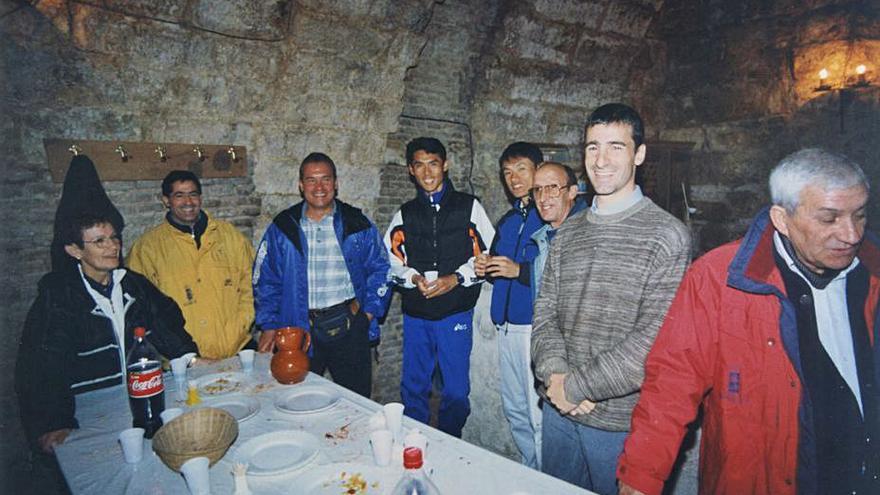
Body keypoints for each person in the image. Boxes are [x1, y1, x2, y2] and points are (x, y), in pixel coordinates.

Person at [618, 148, 880, 495]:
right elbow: (672, 384)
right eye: (829, 219)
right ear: (782, 219)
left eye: (859, 215)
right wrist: (640, 478)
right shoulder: (718, 279)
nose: (851, 234)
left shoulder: (872, 271)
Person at [530, 103, 691, 494]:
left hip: (618, 422)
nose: (601, 161)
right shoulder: (568, 232)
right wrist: (555, 377)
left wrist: (576, 386)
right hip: (559, 410)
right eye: (592, 147)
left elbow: (651, 342)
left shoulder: (667, 235)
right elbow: (545, 314)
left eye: (615, 147)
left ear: (639, 154)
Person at [15, 212, 198, 455]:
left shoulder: (133, 284)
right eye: (99, 241)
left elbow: (166, 326)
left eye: (114, 238)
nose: (112, 246)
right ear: (74, 250)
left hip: (142, 402)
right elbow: (40, 367)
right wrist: (54, 422)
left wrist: (190, 357)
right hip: (90, 414)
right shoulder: (58, 298)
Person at [253, 152, 390, 397]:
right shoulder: (283, 228)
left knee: (355, 402)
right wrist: (269, 325)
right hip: (298, 329)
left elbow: (380, 268)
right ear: (300, 185)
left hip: (348, 325)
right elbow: (266, 280)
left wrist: (368, 314)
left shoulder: (356, 223)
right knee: (297, 400)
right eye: (311, 180)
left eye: (326, 179)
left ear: (336, 183)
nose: (319, 187)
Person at [385, 137, 495, 438]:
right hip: (417, 314)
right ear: (411, 170)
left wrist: (456, 278)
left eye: (433, 164)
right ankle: (415, 441)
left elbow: (488, 255)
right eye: (419, 165)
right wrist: (412, 278)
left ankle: (450, 440)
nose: (428, 172)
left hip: (455, 313)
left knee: (457, 392)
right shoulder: (404, 214)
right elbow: (391, 262)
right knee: (413, 387)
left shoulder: (469, 207)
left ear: (445, 165)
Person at [128, 170, 256, 359]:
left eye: (193, 194)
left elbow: (253, 282)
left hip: (238, 351)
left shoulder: (229, 236)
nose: (188, 202)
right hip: (184, 360)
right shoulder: (147, 248)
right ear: (166, 200)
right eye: (179, 195)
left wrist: (242, 323)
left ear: (200, 198)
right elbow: (141, 308)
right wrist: (178, 350)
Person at [474, 141, 544, 468]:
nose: (513, 178)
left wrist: (520, 271)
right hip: (505, 326)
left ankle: (546, 481)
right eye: (507, 172)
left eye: (521, 170)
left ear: (538, 172)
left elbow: (559, 270)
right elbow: (497, 271)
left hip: (533, 328)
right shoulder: (508, 220)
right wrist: (484, 267)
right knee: (515, 408)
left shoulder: (552, 216)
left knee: (536, 412)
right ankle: (531, 470)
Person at [529, 161, 588, 299]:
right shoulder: (543, 237)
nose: (542, 198)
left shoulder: (588, 235)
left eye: (552, 188)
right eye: (537, 190)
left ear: (572, 192)